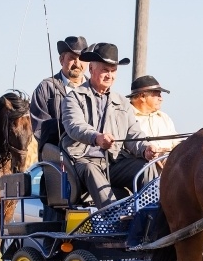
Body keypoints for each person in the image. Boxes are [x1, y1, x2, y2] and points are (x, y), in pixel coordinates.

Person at [61, 43, 160, 208]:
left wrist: (145, 148)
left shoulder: (122, 103)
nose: (110, 75)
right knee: (90, 170)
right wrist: (96, 137)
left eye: (113, 70)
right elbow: (74, 126)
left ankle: (149, 217)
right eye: (105, 70)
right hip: (84, 160)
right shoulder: (74, 98)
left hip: (114, 163)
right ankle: (113, 217)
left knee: (146, 168)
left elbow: (133, 135)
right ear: (92, 69)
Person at [30, 35, 89, 157]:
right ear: (61, 59)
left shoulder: (94, 90)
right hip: (57, 159)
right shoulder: (46, 88)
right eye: (72, 58)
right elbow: (40, 130)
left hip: (91, 156)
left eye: (82, 59)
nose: (77, 64)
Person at [128, 75, 179, 164]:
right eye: (157, 95)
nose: (161, 99)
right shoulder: (127, 117)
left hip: (171, 169)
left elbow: (176, 143)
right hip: (142, 170)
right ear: (142, 96)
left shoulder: (164, 118)